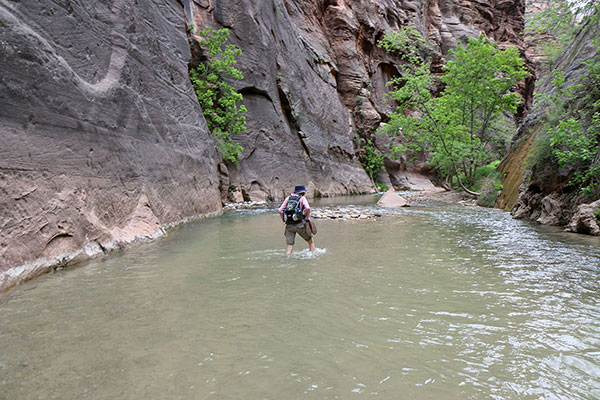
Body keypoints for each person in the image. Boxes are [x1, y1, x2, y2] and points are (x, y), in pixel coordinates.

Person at [279, 184, 315, 256]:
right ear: (302, 192)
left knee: (290, 245)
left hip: (289, 225)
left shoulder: (288, 198)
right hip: (300, 224)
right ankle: (312, 257)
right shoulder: (302, 198)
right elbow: (307, 208)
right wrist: (307, 218)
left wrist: (284, 219)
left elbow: (280, 210)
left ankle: (288, 258)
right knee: (310, 241)